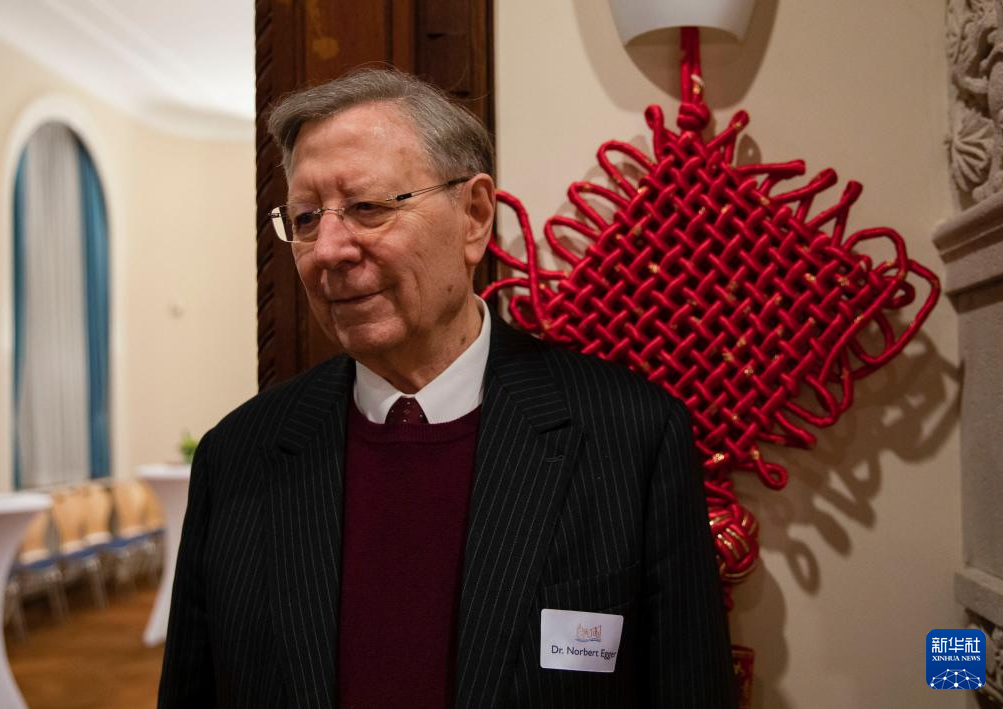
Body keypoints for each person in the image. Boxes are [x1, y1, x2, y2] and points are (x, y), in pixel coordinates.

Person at [158, 68, 736, 708]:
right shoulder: (237, 456)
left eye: (368, 208)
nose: (327, 251)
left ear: (474, 216)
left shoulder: (629, 437)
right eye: (305, 217)